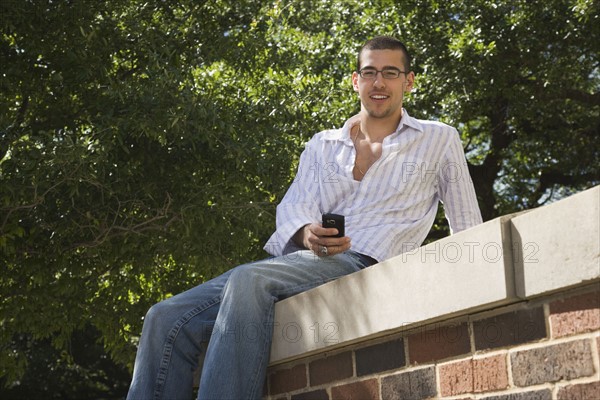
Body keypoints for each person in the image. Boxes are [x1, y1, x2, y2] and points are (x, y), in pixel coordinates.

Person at [126, 36, 482, 400]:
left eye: (390, 73)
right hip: (307, 262)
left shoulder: (439, 139)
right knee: (163, 317)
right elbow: (293, 208)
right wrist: (307, 234)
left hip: (370, 263)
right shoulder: (322, 145)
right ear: (355, 81)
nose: (379, 83)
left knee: (250, 279)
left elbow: (468, 223)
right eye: (370, 72)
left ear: (408, 81)